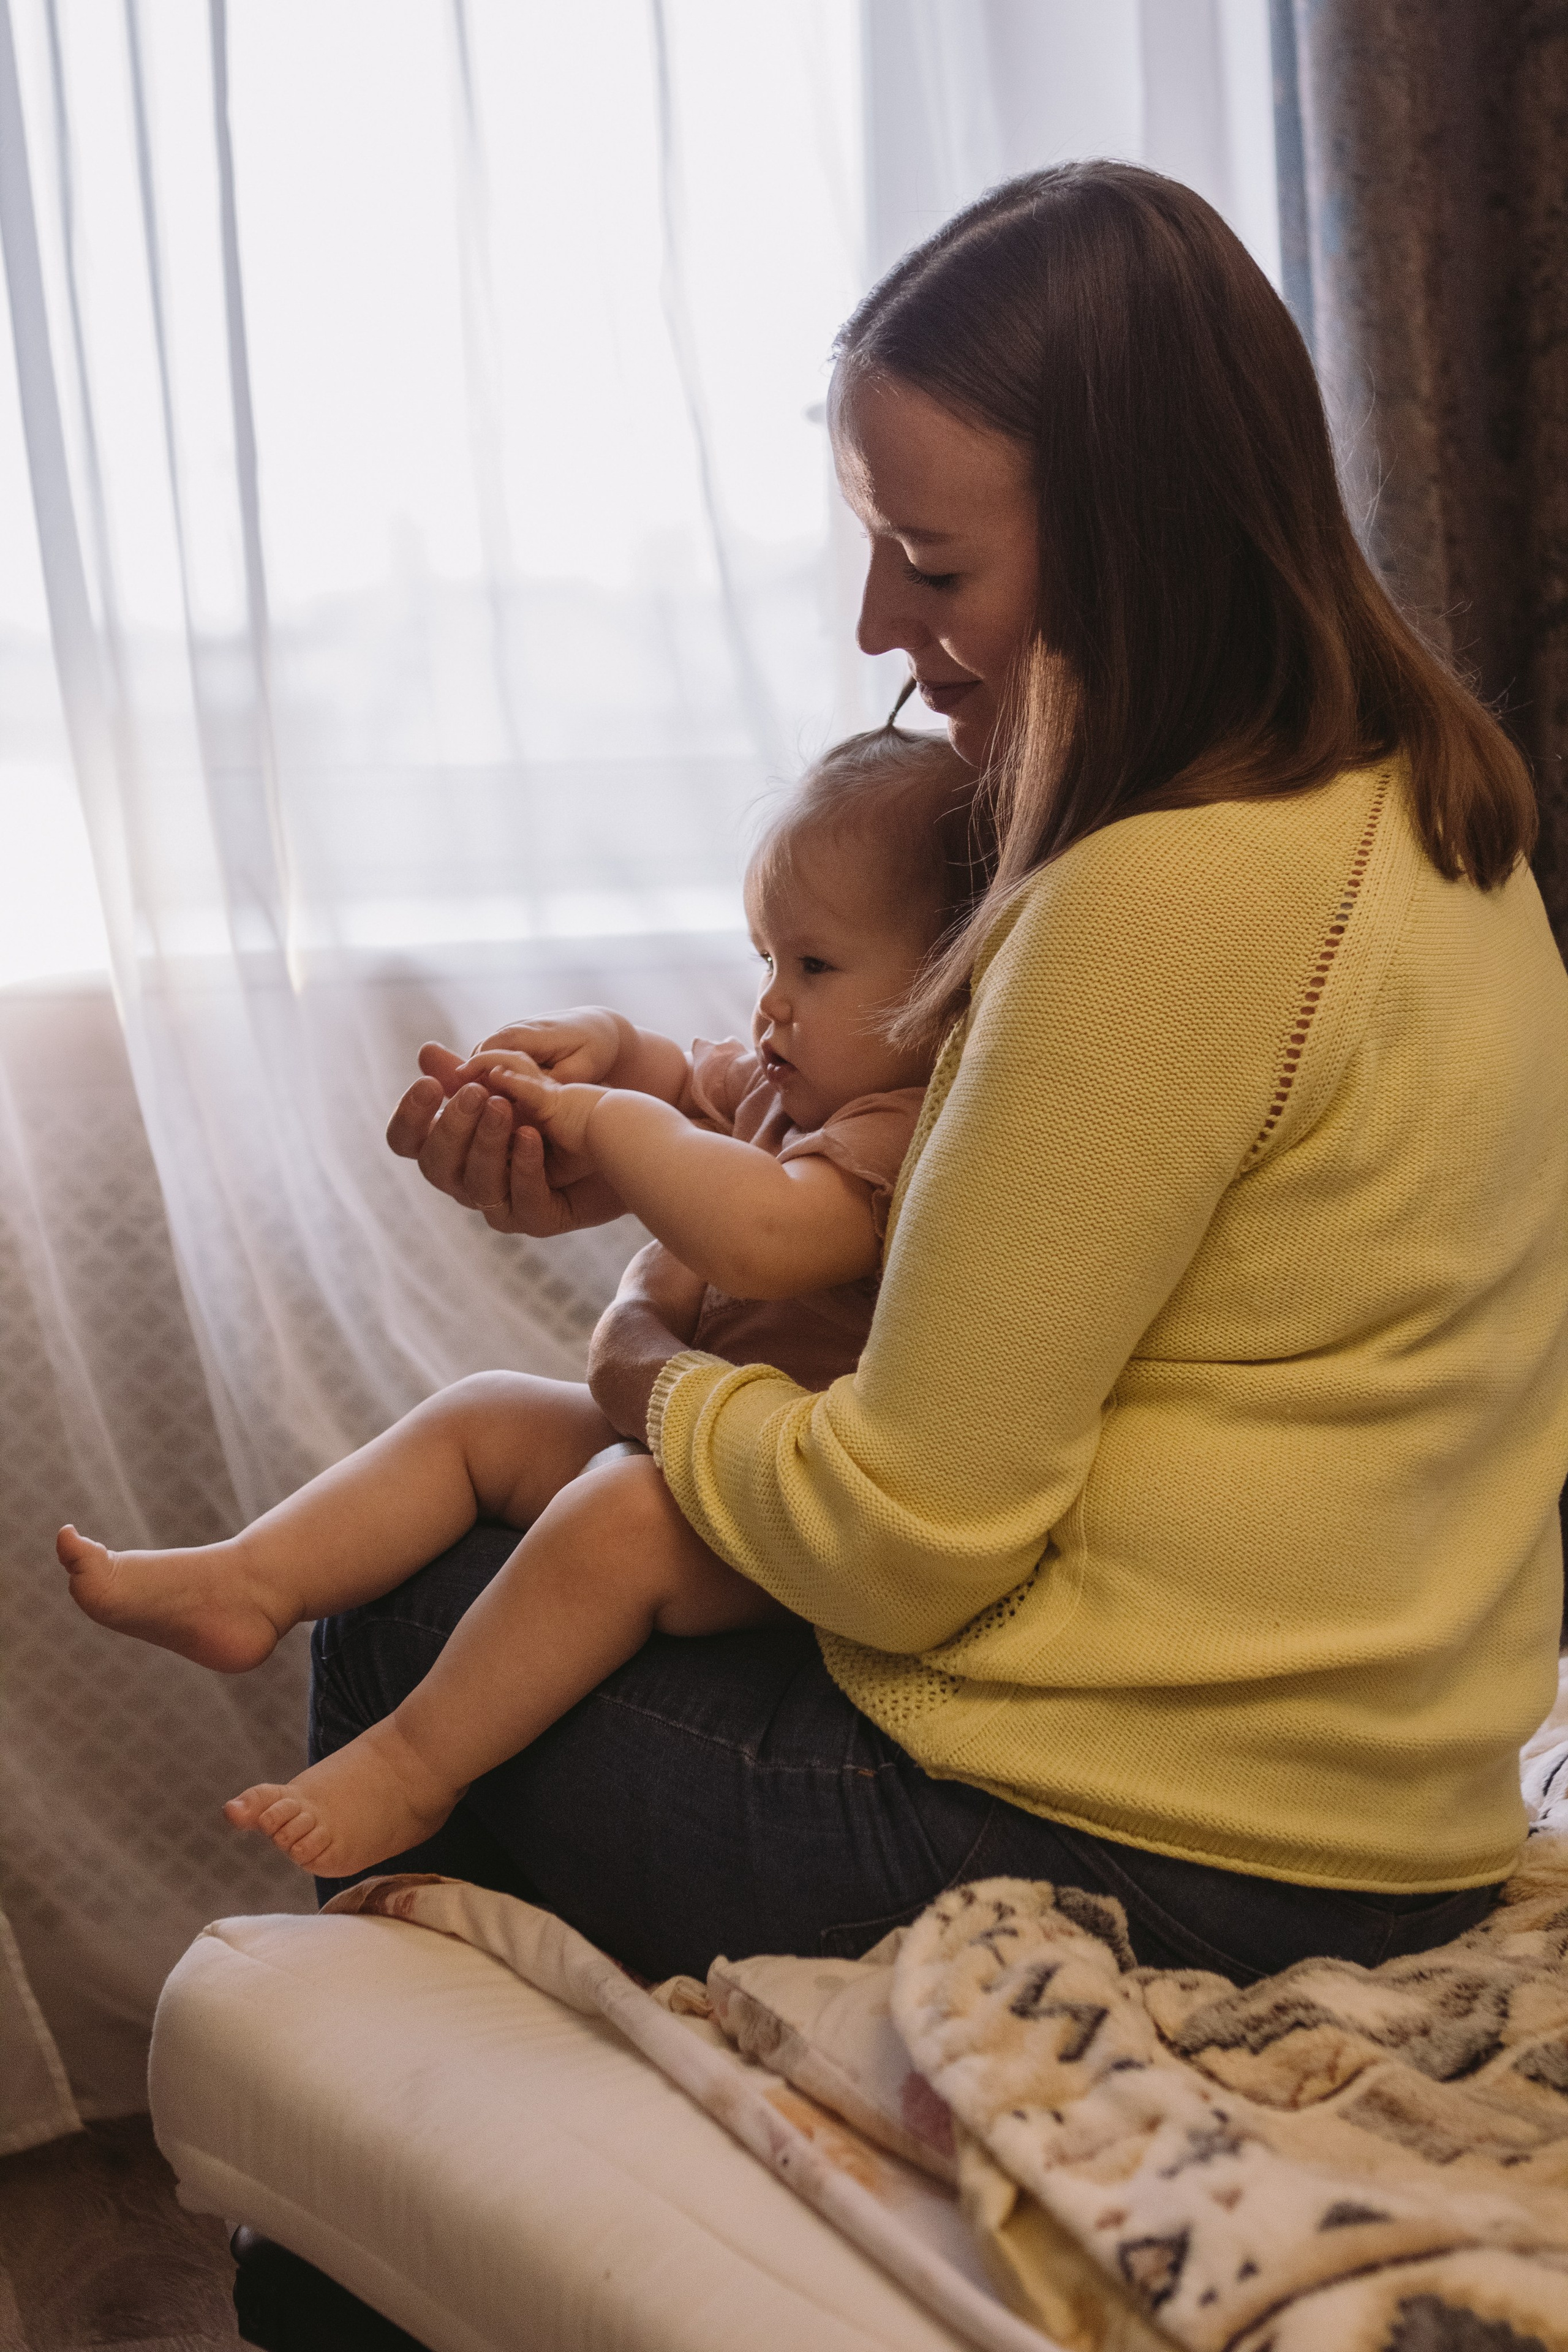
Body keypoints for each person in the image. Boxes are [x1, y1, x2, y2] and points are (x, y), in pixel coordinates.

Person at [331, 162, 1568, 1986]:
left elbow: (904, 1536)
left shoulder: (1158, 895)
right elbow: (1038, 1202)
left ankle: (336, 2245)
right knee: (567, 1557)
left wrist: (642, 1362)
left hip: (1152, 1848)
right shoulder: (1427, 822)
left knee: (395, 1597)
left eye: (932, 565)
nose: (869, 629)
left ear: (1143, 536)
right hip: (1389, 1808)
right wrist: (683, 1117)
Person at [58, 729, 976, 1879]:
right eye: (765, 960)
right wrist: (613, 1052)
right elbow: (691, 1080)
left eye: (816, 969)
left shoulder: (911, 1125)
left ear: (949, 990)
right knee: (485, 1411)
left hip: (797, 1528)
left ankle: (410, 1769)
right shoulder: (801, 1082)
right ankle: (248, 1579)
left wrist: (610, 1126)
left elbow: (767, 1235)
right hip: (706, 1444)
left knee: (618, 1513)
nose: (769, 1008)